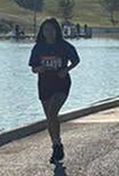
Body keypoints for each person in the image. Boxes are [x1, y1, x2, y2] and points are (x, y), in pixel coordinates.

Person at [29, 18, 81, 165]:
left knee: (52, 113)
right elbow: (33, 67)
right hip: (45, 84)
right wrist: (39, 69)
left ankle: (57, 146)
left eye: (51, 29)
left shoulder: (64, 46)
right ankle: (56, 145)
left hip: (61, 83)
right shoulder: (39, 47)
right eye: (45, 30)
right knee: (50, 118)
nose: (48, 33)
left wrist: (66, 69)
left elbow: (76, 60)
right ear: (42, 32)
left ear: (56, 31)